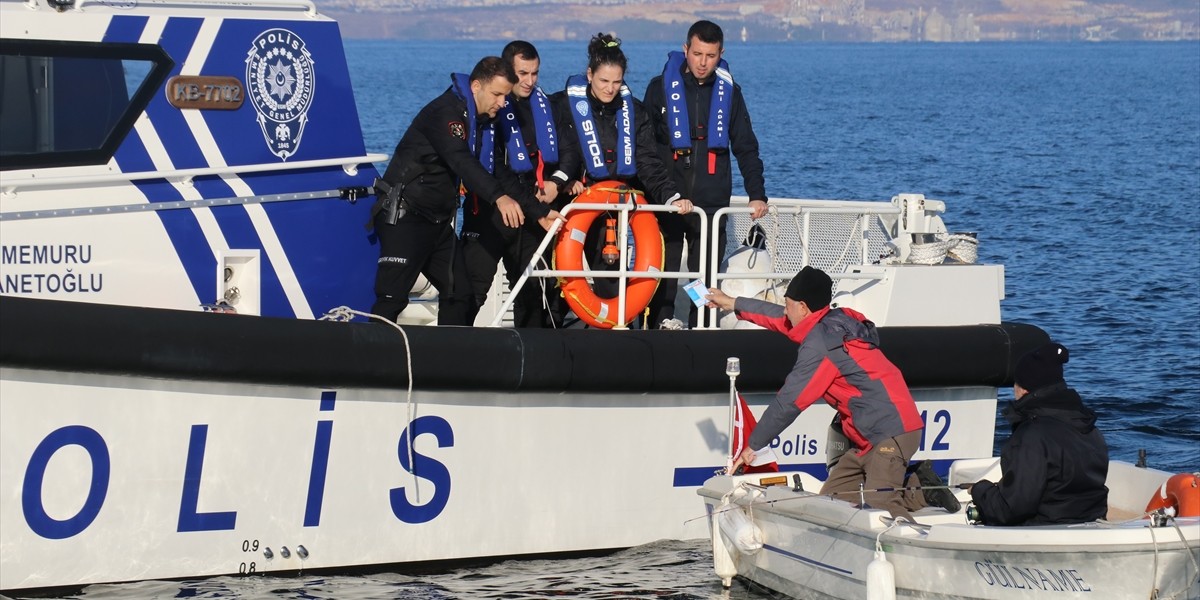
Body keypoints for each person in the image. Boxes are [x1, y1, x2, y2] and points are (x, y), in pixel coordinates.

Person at [708, 266, 959, 520]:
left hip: (891, 431)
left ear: (803, 307)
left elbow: (790, 402)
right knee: (831, 504)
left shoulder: (822, 345)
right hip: (866, 437)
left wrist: (753, 445)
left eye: (788, 304)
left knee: (880, 507)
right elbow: (775, 317)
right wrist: (730, 303)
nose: (785, 310)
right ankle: (920, 489)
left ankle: (910, 550)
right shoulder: (826, 322)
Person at [369, 56, 558, 324]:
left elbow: (495, 170)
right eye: (497, 94)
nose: (502, 103)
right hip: (405, 218)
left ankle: (447, 360)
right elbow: (462, 161)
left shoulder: (481, 121)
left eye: (505, 96)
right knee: (392, 298)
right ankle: (374, 361)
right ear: (476, 86)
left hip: (437, 224)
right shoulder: (445, 114)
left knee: (462, 295)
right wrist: (499, 198)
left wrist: (538, 210)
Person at [644, 20, 768, 329]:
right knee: (665, 271)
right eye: (697, 53)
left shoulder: (730, 93)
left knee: (704, 275)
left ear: (721, 54)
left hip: (711, 202)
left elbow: (746, 146)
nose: (702, 63)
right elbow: (643, 148)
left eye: (710, 56)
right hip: (667, 198)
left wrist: (757, 193)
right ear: (685, 50)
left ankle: (699, 328)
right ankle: (660, 328)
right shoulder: (658, 89)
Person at [553, 33, 692, 307]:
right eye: (604, 81)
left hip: (614, 208)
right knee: (559, 276)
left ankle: (616, 336)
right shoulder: (563, 106)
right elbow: (557, 153)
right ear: (589, 74)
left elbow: (648, 162)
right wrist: (565, 181)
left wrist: (671, 196)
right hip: (571, 204)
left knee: (609, 278)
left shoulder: (634, 113)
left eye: (617, 82)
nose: (610, 89)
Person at [461, 41, 573, 328]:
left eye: (535, 73)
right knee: (471, 290)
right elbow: (496, 168)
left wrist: (557, 182)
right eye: (522, 73)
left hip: (533, 212)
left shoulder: (546, 105)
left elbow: (570, 150)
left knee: (532, 293)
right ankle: (453, 351)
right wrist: (533, 206)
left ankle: (533, 359)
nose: (529, 81)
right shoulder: (491, 110)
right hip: (492, 211)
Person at [969, 343, 1109, 525]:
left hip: (1044, 531)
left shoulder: (1032, 436)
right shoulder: (1089, 428)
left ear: (1024, 390)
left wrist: (980, 490)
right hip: (1092, 523)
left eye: (1015, 382)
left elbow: (1009, 509)